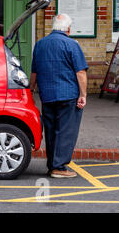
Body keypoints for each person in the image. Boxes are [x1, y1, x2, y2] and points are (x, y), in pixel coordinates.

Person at [30, 13, 88, 179]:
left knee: (51, 130)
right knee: (66, 131)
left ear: (53, 27)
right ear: (68, 29)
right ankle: (59, 167)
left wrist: (30, 90)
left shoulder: (40, 44)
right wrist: (83, 94)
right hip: (68, 94)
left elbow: (34, 71)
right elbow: (80, 72)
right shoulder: (71, 44)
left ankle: (51, 164)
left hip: (47, 95)